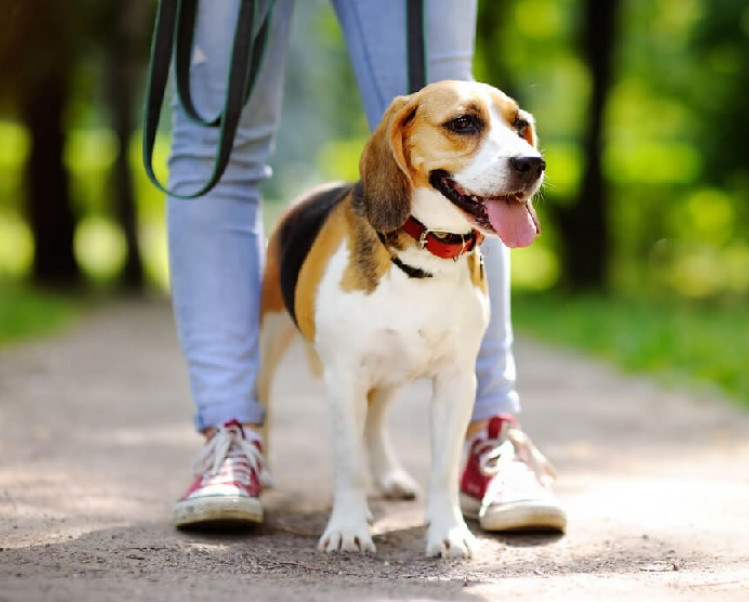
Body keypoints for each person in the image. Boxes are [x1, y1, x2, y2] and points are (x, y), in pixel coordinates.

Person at [167, 0, 566, 534]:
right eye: (466, 126)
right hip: (341, 260)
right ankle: (231, 431)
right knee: (215, 138)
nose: (522, 152)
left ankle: (490, 430)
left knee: (443, 77)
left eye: (517, 129)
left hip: (447, 274)